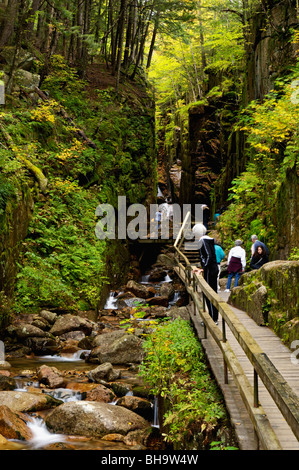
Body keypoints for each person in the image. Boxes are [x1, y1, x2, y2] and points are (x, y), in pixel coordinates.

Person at [192, 223, 219, 325]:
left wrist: (203, 269)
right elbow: (207, 256)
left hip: (209, 270)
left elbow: (208, 255)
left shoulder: (203, 241)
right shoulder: (208, 240)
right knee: (213, 292)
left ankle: (212, 319)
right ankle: (214, 318)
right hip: (212, 269)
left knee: (208, 293)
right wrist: (201, 268)